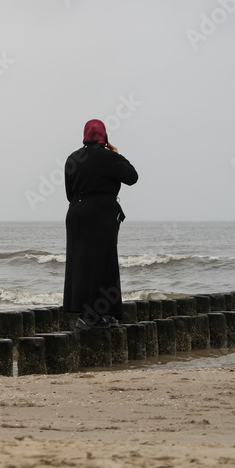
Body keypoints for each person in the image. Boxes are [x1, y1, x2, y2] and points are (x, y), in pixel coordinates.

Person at [63, 119, 138, 328]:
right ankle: (96, 315)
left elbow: (69, 194)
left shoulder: (73, 158)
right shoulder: (109, 158)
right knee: (103, 263)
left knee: (81, 263)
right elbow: (132, 177)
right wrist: (116, 154)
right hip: (102, 214)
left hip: (77, 213)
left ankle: (90, 314)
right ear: (104, 136)